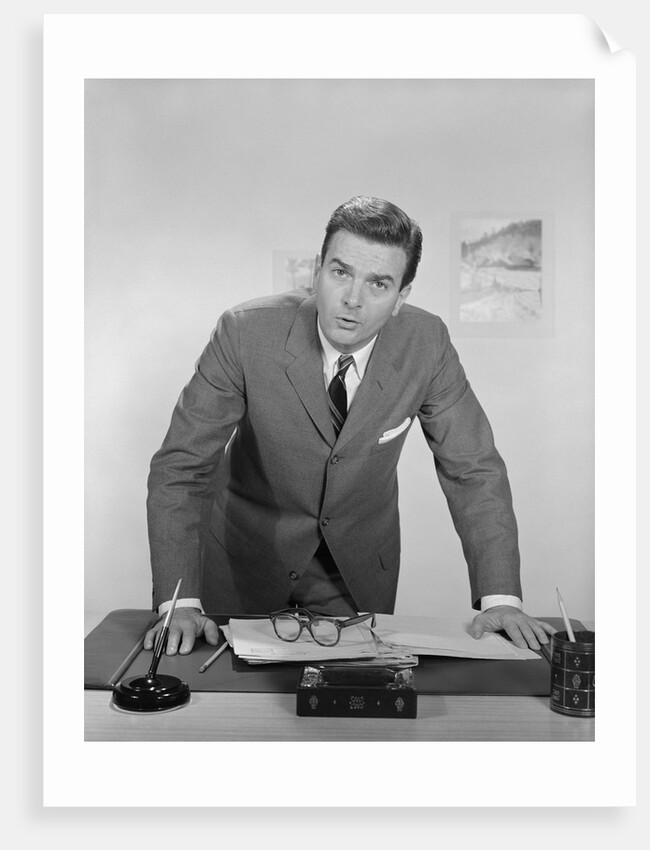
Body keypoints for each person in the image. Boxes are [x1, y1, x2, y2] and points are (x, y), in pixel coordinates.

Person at [144, 196, 555, 657]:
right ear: (318, 270)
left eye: (378, 283)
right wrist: (176, 602)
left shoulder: (427, 344)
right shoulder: (244, 333)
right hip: (242, 563)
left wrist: (501, 598)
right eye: (340, 273)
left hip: (353, 575)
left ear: (402, 297)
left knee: (347, 716)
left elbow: (473, 470)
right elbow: (182, 469)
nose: (353, 300)